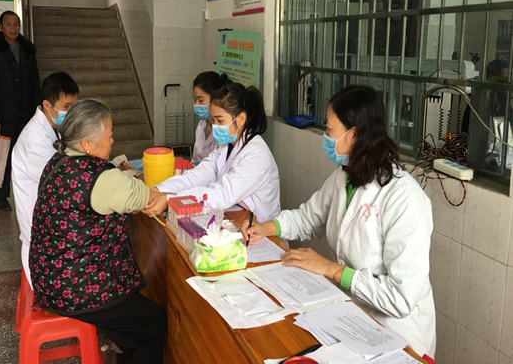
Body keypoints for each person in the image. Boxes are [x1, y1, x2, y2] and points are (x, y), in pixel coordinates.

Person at [241, 85, 436, 360]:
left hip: (398, 337)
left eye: (329, 129)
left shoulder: (404, 198)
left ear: (353, 134)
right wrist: (266, 227)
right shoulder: (345, 175)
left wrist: (331, 270)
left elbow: (400, 298)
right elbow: (309, 217)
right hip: (353, 319)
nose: (325, 136)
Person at [30, 99, 166, 364]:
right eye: (109, 135)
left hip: (49, 280)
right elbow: (145, 198)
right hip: (78, 288)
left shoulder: (57, 161)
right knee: (152, 323)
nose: (112, 140)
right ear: (87, 144)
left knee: (133, 320)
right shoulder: (99, 177)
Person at [147, 82, 281, 223]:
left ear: (241, 119)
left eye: (220, 121)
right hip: (235, 216)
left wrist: (171, 199)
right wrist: (159, 190)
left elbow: (222, 194)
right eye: (213, 120)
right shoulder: (224, 146)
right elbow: (198, 176)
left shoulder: (257, 155)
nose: (215, 126)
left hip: (259, 226)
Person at [12, 72, 80, 288]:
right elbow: (62, 180)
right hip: (41, 235)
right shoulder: (35, 138)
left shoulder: (53, 130)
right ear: (47, 105)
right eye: (66, 107)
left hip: (50, 226)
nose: (71, 113)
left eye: (74, 106)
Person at [0, 11, 40, 211]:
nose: (13, 28)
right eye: (8, 24)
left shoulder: (27, 50)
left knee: (27, 153)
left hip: (27, 112)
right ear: (1, 27)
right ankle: (1, 196)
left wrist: (38, 109)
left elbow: (35, 81)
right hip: (4, 114)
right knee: (3, 155)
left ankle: (28, 189)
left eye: (16, 24)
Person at [191, 71, 230, 165]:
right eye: (195, 99)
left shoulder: (222, 132)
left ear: (215, 98)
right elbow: (195, 160)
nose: (196, 104)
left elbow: (214, 166)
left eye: (201, 100)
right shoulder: (202, 124)